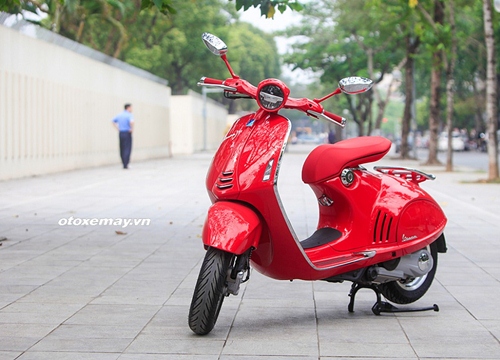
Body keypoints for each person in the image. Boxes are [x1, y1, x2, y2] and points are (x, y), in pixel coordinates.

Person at [112, 103, 134, 169]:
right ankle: (126, 164)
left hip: (121, 133)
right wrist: (131, 128)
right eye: (131, 108)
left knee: (122, 148)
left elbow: (113, 121)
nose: (132, 109)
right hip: (127, 132)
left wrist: (118, 128)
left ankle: (123, 162)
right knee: (127, 148)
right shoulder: (129, 115)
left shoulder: (119, 115)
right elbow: (131, 122)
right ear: (128, 108)